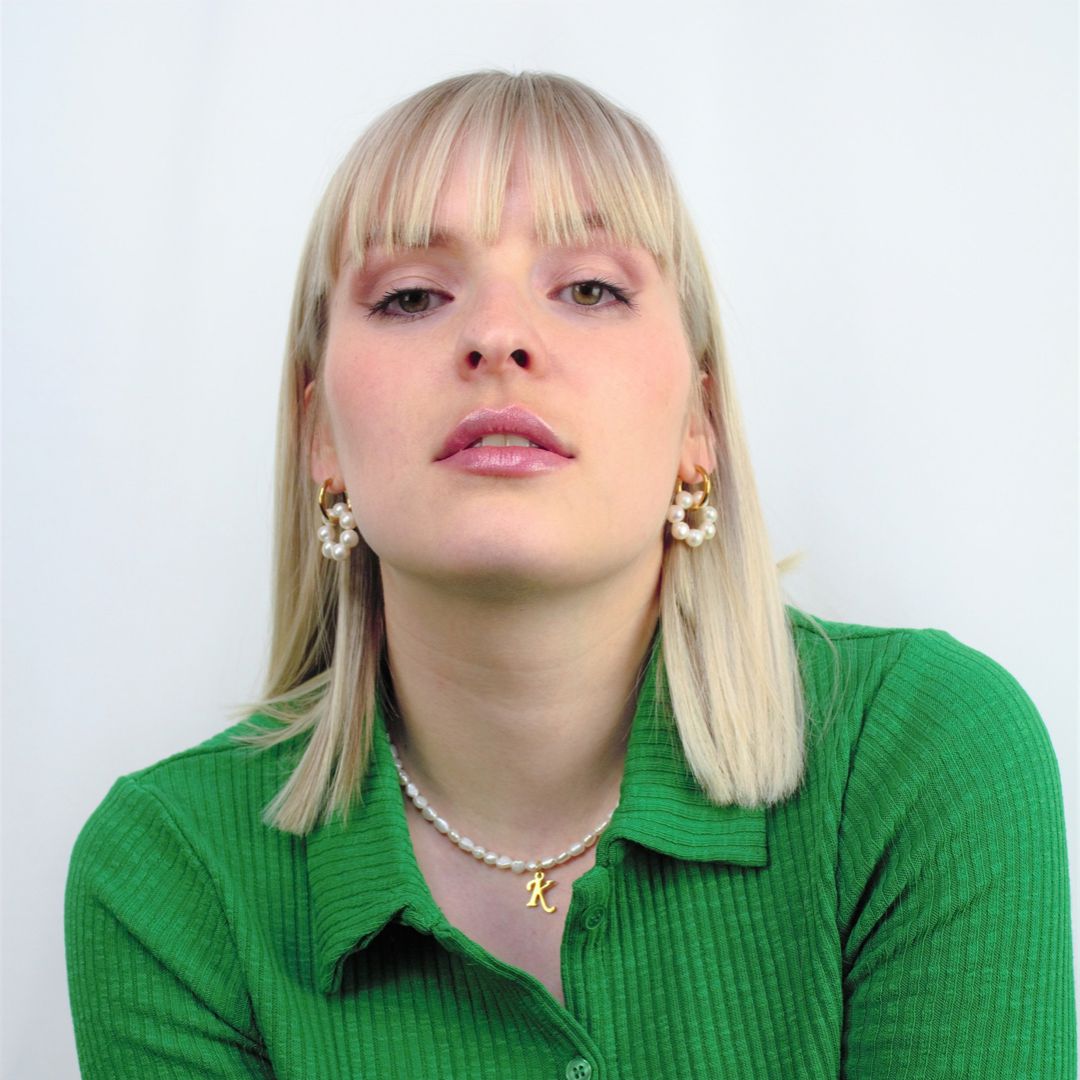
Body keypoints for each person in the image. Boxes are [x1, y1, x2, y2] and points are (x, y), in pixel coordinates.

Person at [64, 70, 1075, 1078]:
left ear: (699, 424)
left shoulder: (922, 756)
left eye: (590, 289)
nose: (497, 337)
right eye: (412, 295)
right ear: (318, 433)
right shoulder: (168, 875)